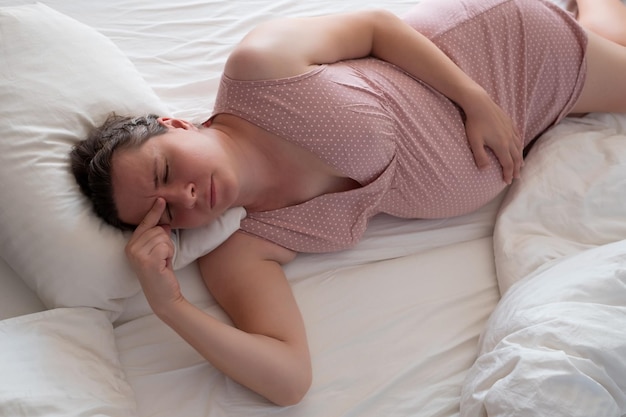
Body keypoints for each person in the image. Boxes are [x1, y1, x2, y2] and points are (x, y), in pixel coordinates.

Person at [70, 0, 626, 406]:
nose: (185, 196)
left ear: (173, 124)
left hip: (495, 54)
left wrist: (476, 100)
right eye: (164, 212)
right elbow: (288, 379)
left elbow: (378, 26)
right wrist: (169, 306)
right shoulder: (244, 247)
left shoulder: (260, 68)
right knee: (609, 38)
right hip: (526, 122)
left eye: (165, 170)